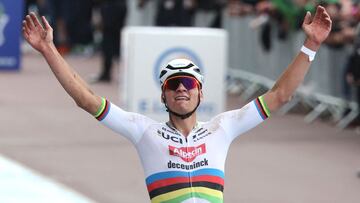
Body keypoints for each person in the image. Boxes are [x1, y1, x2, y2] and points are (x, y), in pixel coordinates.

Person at [22, 6, 331, 203]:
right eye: (173, 84)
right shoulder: (144, 131)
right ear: (163, 95)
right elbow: (86, 99)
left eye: (189, 84)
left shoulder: (222, 128)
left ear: (201, 94)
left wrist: (311, 45)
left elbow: (280, 95)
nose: (182, 89)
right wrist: (49, 49)